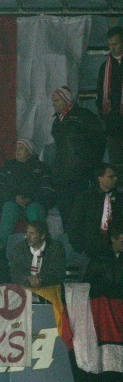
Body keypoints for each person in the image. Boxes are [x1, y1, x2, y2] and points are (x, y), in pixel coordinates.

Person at [50, 85, 105, 226]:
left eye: (56, 100)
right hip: (62, 177)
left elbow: (99, 142)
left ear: (66, 100)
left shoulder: (85, 116)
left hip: (81, 176)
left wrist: (92, 168)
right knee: (66, 216)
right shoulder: (57, 120)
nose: (53, 104)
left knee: (81, 215)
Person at [0, 138, 56, 247]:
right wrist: (13, 197)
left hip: (34, 202)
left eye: (21, 148)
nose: (17, 151)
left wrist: (31, 199)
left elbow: (47, 189)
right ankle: (1, 249)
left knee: (35, 212)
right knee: (9, 209)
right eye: (16, 148)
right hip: (12, 201)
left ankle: (43, 248)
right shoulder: (8, 166)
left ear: (29, 151)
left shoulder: (41, 168)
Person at [68, 164, 123, 258]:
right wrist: (81, 248)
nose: (115, 179)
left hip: (116, 251)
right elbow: (74, 224)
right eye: (111, 176)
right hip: (91, 251)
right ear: (100, 178)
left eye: (115, 176)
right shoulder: (85, 198)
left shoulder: (120, 199)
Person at [10, 220, 66, 288]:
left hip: (48, 288)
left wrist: (40, 279)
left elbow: (58, 273)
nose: (27, 237)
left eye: (32, 233)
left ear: (42, 236)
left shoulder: (56, 248)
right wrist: (28, 278)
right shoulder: (19, 249)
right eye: (27, 232)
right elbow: (15, 272)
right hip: (25, 288)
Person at [97, 26, 123, 172]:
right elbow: (100, 95)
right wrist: (105, 116)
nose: (112, 48)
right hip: (113, 124)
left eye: (116, 44)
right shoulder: (105, 67)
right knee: (117, 164)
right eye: (109, 45)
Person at [83, 224, 123, 297]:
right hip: (103, 299)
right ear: (113, 239)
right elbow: (88, 283)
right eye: (122, 241)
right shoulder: (100, 258)